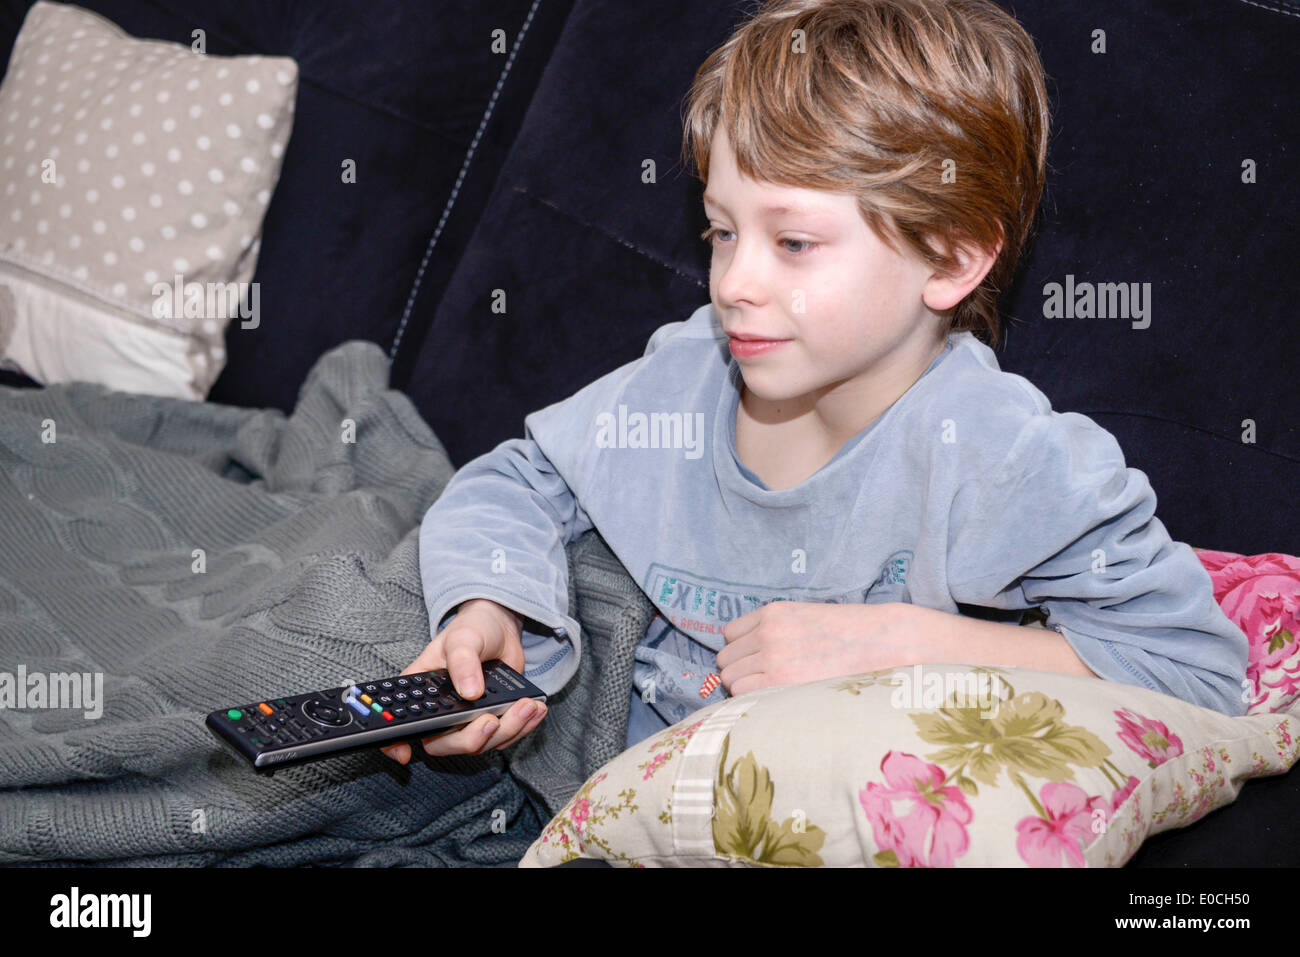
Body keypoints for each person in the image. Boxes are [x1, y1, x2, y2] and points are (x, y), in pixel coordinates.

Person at [381, 0, 1249, 766]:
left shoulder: (1001, 458)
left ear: (949, 257)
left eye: (793, 242)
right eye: (722, 232)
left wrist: (908, 645)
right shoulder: (695, 372)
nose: (733, 284)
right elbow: (520, 479)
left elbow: (1195, 671)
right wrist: (488, 605)